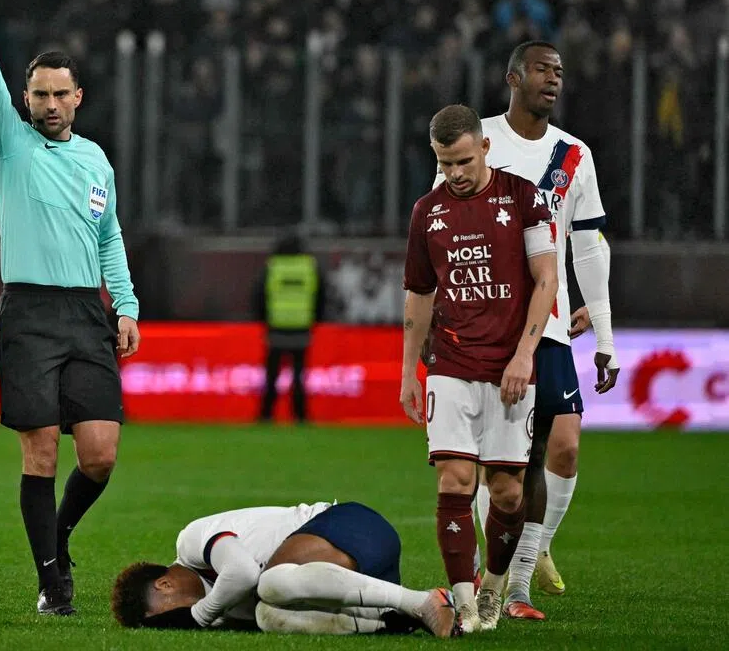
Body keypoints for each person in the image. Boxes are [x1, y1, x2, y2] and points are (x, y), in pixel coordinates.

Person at [0, 0, 141, 616]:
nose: (50, 104)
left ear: (79, 98)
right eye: (39, 95)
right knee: (42, 451)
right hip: (29, 310)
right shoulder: (11, 144)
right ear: (25, 99)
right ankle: (53, 583)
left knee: (101, 455)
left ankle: (55, 535)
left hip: (87, 312)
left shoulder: (94, 161)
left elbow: (109, 238)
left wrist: (128, 306)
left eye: (60, 94)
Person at [432, 42, 620, 619]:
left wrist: (605, 329)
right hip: (485, 323)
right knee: (504, 465)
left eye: (560, 71)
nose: (554, 79)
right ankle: (513, 582)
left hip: (551, 319)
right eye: (543, 69)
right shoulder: (476, 139)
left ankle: (529, 560)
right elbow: (441, 225)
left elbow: (587, 244)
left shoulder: (573, 155)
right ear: (513, 77)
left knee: (561, 445)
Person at [401, 104, 558, 633]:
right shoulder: (427, 211)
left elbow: (546, 280)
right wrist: (408, 373)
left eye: (464, 161)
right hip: (450, 362)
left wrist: (525, 353)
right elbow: (419, 295)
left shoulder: (523, 198)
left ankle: (493, 587)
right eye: (446, 165)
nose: (456, 174)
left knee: (509, 491)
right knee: (455, 478)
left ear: (485, 148)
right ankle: (465, 603)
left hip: (510, 367)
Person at [110, 500, 457, 637]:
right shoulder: (227, 614)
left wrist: (199, 615)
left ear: (165, 585)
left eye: (169, 614)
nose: (180, 620)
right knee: (267, 616)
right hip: (359, 579)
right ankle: (384, 620)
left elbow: (243, 573)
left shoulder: (191, 541)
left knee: (269, 583)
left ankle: (422, 601)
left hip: (352, 526)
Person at [252, 233, 326, 423]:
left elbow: (259, 296)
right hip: (301, 328)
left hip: (276, 327)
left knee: (271, 375)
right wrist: (314, 320)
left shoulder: (272, 267)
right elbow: (320, 296)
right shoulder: (309, 268)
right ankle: (300, 415)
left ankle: (266, 415)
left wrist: (263, 320)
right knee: (299, 375)